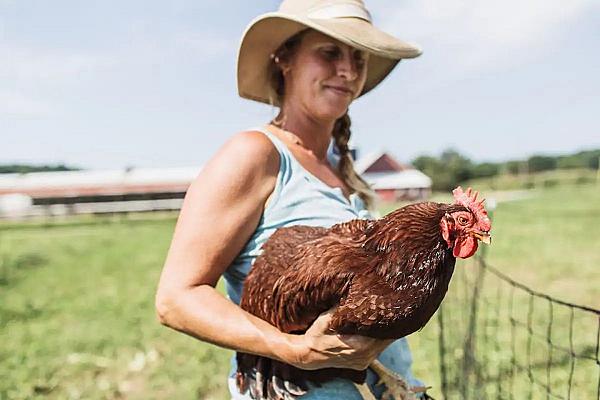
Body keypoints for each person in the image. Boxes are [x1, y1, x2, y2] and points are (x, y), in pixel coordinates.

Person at [155, 0, 427, 398]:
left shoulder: (341, 167)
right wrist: (295, 349)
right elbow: (176, 299)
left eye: (358, 57)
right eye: (329, 53)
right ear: (285, 58)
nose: (348, 71)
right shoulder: (255, 155)